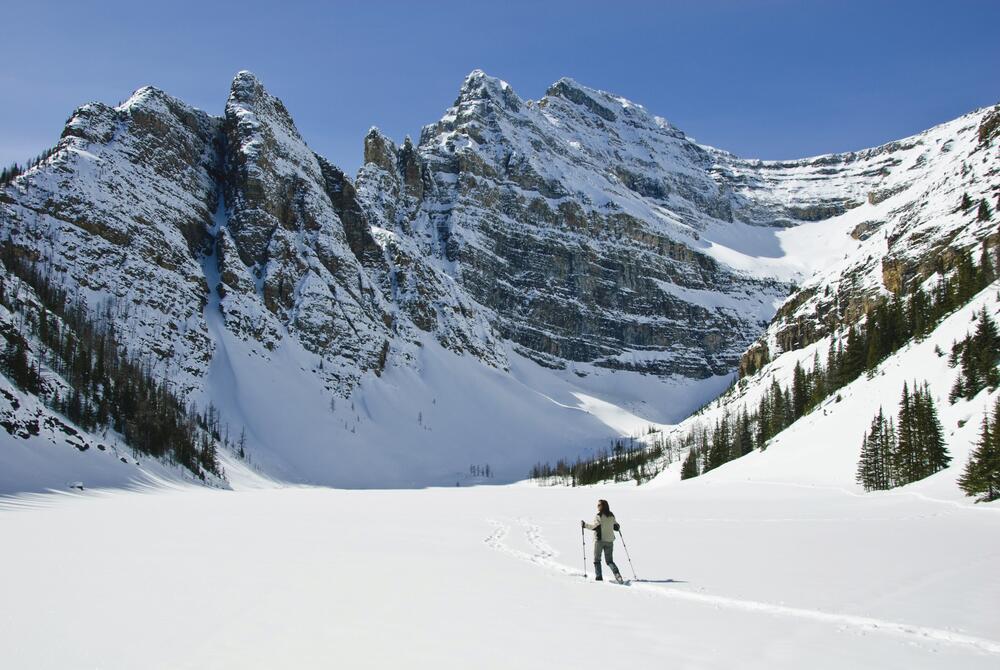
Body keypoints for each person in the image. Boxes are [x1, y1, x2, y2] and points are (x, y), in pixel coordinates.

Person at [582, 499, 623, 582]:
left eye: (599, 505)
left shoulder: (599, 516)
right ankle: (617, 574)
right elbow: (616, 527)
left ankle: (599, 577)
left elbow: (595, 527)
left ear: (603, 506)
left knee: (597, 560)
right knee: (609, 561)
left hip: (599, 541)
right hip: (610, 541)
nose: (597, 506)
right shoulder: (611, 515)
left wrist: (584, 525)